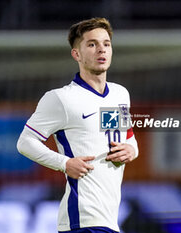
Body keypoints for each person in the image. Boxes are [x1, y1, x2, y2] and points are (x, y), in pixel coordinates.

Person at [16, 17, 139, 233]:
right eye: (92, 44)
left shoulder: (120, 94)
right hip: (83, 220)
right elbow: (25, 142)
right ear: (76, 54)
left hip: (109, 221)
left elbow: (128, 138)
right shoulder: (61, 98)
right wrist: (64, 163)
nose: (101, 49)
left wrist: (132, 150)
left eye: (106, 44)